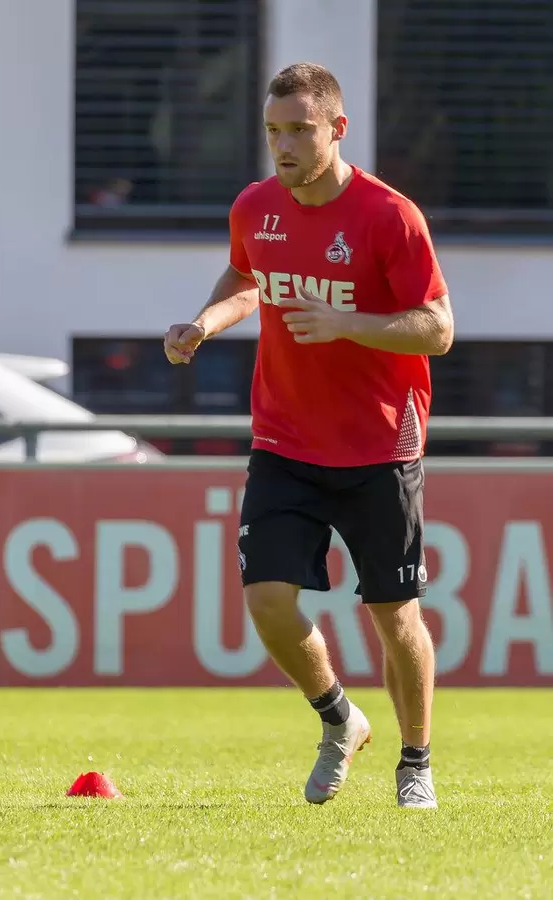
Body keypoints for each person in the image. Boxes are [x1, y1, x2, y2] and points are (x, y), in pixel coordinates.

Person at [164, 63, 454, 810]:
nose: (283, 146)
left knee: (395, 617)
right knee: (266, 600)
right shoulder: (256, 206)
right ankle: (339, 719)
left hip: (381, 444)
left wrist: (348, 324)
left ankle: (414, 761)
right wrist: (205, 322)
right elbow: (244, 279)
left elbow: (439, 328)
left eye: (298, 130)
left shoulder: (390, 216)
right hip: (285, 437)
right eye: (273, 131)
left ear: (336, 130)